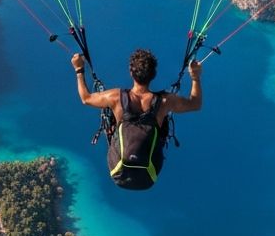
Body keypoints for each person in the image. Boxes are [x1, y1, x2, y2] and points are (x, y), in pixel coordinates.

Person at [71, 48, 202, 189]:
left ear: (131, 73)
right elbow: (195, 104)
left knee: (112, 120)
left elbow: (86, 98)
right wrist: (195, 77)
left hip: (118, 171)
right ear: (154, 74)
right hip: (148, 176)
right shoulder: (165, 101)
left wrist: (79, 69)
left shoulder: (115, 97)